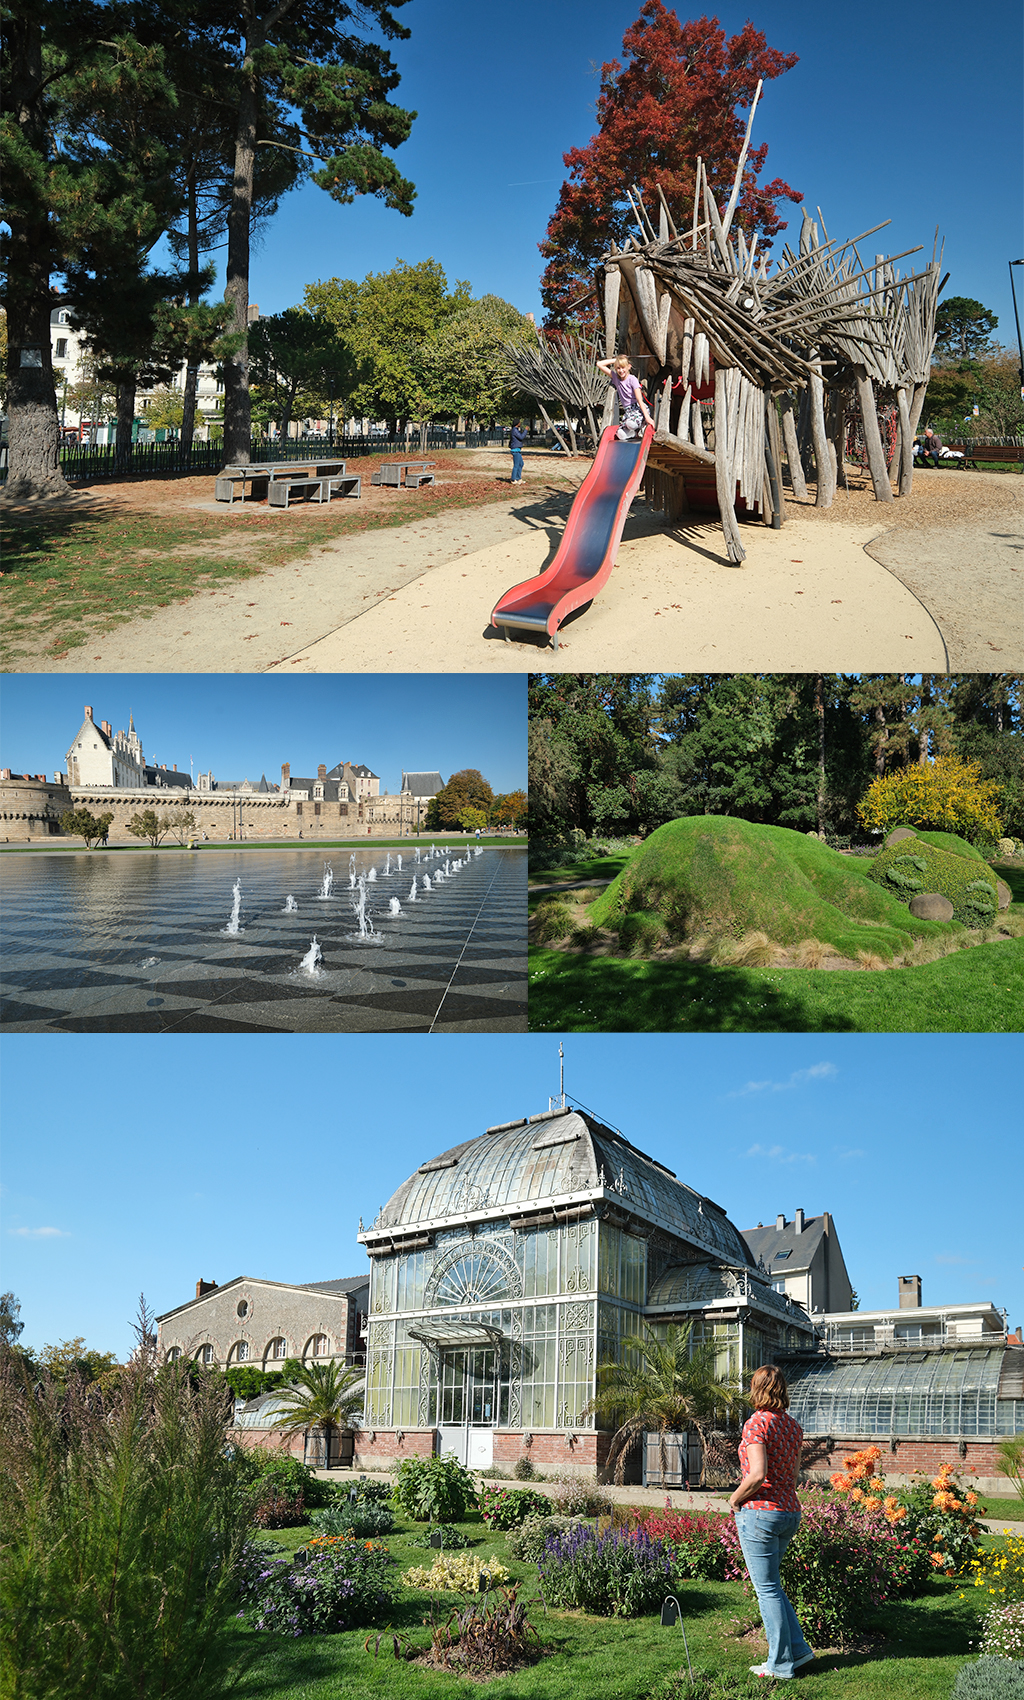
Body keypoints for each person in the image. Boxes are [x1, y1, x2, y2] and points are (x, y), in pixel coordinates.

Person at [730, 1364, 814, 1680]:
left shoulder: (756, 1424)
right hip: (789, 1511)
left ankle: (779, 1664)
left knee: (767, 1590)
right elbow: (791, 1478)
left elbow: (757, 1474)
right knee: (774, 1587)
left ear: (757, 1389)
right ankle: (800, 1650)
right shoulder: (792, 1426)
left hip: (761, 1514)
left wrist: (735, 1499)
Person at [596, 354, 655, 440]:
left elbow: (639, 400)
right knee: (620, 434)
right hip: (628, 412)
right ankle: (635, 434)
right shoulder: (616, 378)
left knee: (630, 424)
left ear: (629, 367)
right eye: (618, 368)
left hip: (637, 410)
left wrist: (647, 417)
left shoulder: (632, 379)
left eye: (623, 367)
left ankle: (642, 425)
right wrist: (616, 359)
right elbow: (599, 364)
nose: (621, 371)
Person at [509, 419, 527, 484]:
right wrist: (525, 431)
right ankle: (513, 479)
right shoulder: (514, 430)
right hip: (515, 449)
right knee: (516, 465)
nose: (520, 423)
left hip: (518, 449)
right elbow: (521, 437)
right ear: (517, 423)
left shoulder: (516, 430)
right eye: (519, 422)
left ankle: (518, 478)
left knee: (521, 464)